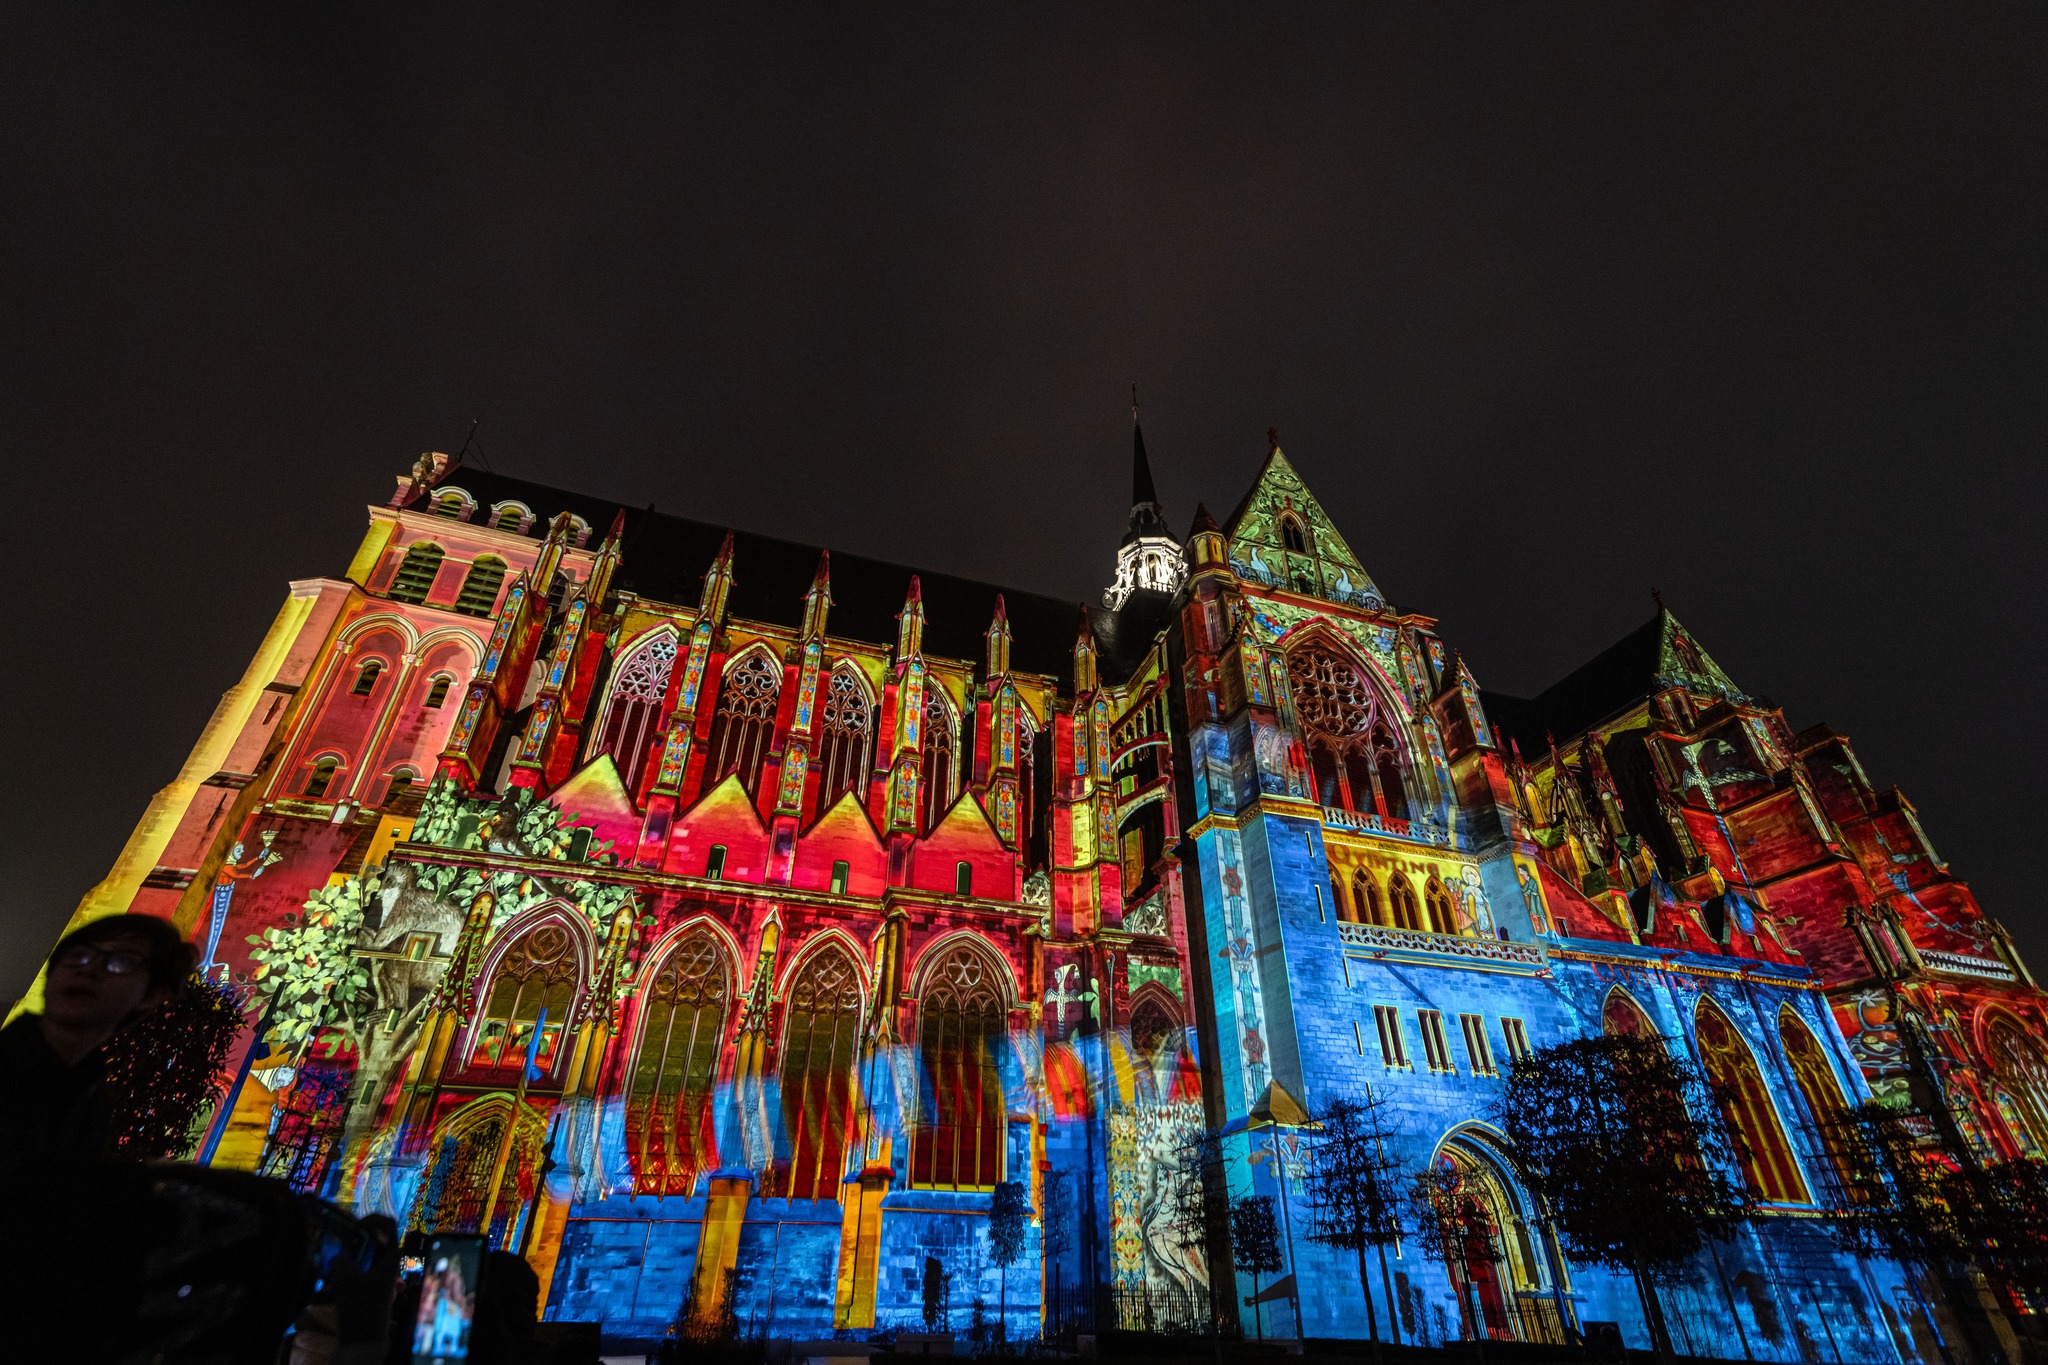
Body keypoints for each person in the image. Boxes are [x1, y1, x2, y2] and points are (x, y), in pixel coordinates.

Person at [0, 912, 193, 1159]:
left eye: (122, 961)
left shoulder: (91, 1100)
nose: (90, 969)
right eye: (78, 956)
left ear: (152, 995)